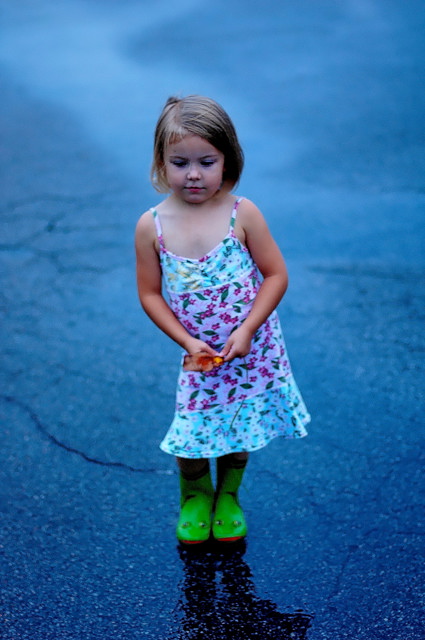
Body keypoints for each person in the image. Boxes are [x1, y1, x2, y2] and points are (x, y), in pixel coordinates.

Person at [135, 95, 310, 545]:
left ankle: (228, 495)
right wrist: (186, 341)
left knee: (238, 421)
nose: (193, 174)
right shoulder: (151, 226)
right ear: (161, 163)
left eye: (206, 162)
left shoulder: (241, 214)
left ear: (228, 160)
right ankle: (195, 495)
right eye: (180, 162)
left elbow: (275, 274)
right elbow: (150, 294)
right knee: (193, 427)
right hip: (199, 354)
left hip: (249, 345)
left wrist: (248, 328)